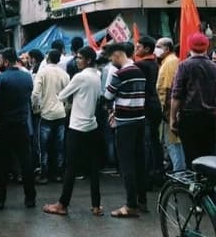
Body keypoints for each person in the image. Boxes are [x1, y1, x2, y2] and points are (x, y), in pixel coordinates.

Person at [43, 47, 103, 217]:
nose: (77, 60)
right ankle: (96, 205)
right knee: (93, 167)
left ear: (88, 60)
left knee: (71, 167)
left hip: (77, 127)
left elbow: (62, 96)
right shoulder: (97, 76)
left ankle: (62, 204)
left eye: (80, 58)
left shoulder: (80, 77)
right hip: (92, 125)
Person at [102, 42, 148, 218]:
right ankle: (142, 201)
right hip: (140, 120)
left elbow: (108, 96)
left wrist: (111, 110)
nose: (111, 61)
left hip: (125, 123)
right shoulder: (139, 71)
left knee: (126, 163)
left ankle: (130, 205)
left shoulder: (120, 74)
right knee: (139, 161)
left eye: (111, 58)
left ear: (118, 54)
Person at [0, 48, 36, 210]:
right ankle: (30, 198)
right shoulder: (27, 77)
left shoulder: (1, 79)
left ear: (7, 61)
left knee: (2, 164)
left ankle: (0, 199)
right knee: (26, 162)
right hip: (22, 125)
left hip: (5, 126)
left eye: (0, 61)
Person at [170, 33, 216, 169]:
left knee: (191, 157)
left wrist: (172, 118)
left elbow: (177, 95)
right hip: (210, 118)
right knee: (209, 157)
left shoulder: (184, 66)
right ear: (207, 47)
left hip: (189, 118)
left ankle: (195, 181)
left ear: (190, 47)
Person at [32, 49, 69, 183]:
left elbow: (35, 94)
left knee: (44, 147)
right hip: (60, 113)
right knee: (59, 146)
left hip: (46, 114)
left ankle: (44, 175)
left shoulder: (42, 72)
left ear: (47, 58)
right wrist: (64, 107)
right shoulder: (64, 74)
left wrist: (36, 108)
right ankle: (58, 174)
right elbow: (68, 93)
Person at [135, 36, 164, 186]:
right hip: (155, 105)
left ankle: (145, 178)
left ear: (147, 49)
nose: (136, 48)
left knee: (145, 143)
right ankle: (158, 174)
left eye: (138, 47)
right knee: (154, 141)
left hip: (145, 107)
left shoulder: (140, 65)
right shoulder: (156, 64)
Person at [155, 37, 184, 172]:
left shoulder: (170, 62)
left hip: (169, 110)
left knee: (173, 144)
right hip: (167, 109)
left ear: (167, 49)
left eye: (158, 47)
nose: (156, 50)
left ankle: (180, 174)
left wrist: (169, 114)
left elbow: (169, 89)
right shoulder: (167, 62)